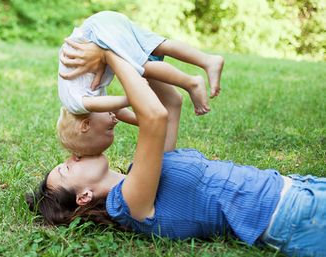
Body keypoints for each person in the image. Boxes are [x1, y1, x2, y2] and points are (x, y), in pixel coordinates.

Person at [27, 47, 326, 257]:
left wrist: (132, 52)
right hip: (290, 215)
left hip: (297, 186)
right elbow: (154, 118)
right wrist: (109, 54)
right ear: (84, 197)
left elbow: (170, 104)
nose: (73, 156)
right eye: (67, 167)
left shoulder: (140, 173)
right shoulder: (129, 205)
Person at [58, 11, 224, 119]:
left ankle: (190, 82)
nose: (113, 122)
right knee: (157, 46)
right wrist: (139, 120)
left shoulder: (75, 105)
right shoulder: (92, 100)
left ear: (85, 126)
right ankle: (207, 60)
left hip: (98, 35)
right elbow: (114, 110)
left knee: (143, 66)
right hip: (103, 22)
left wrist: (135, 98)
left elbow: (111, 105)